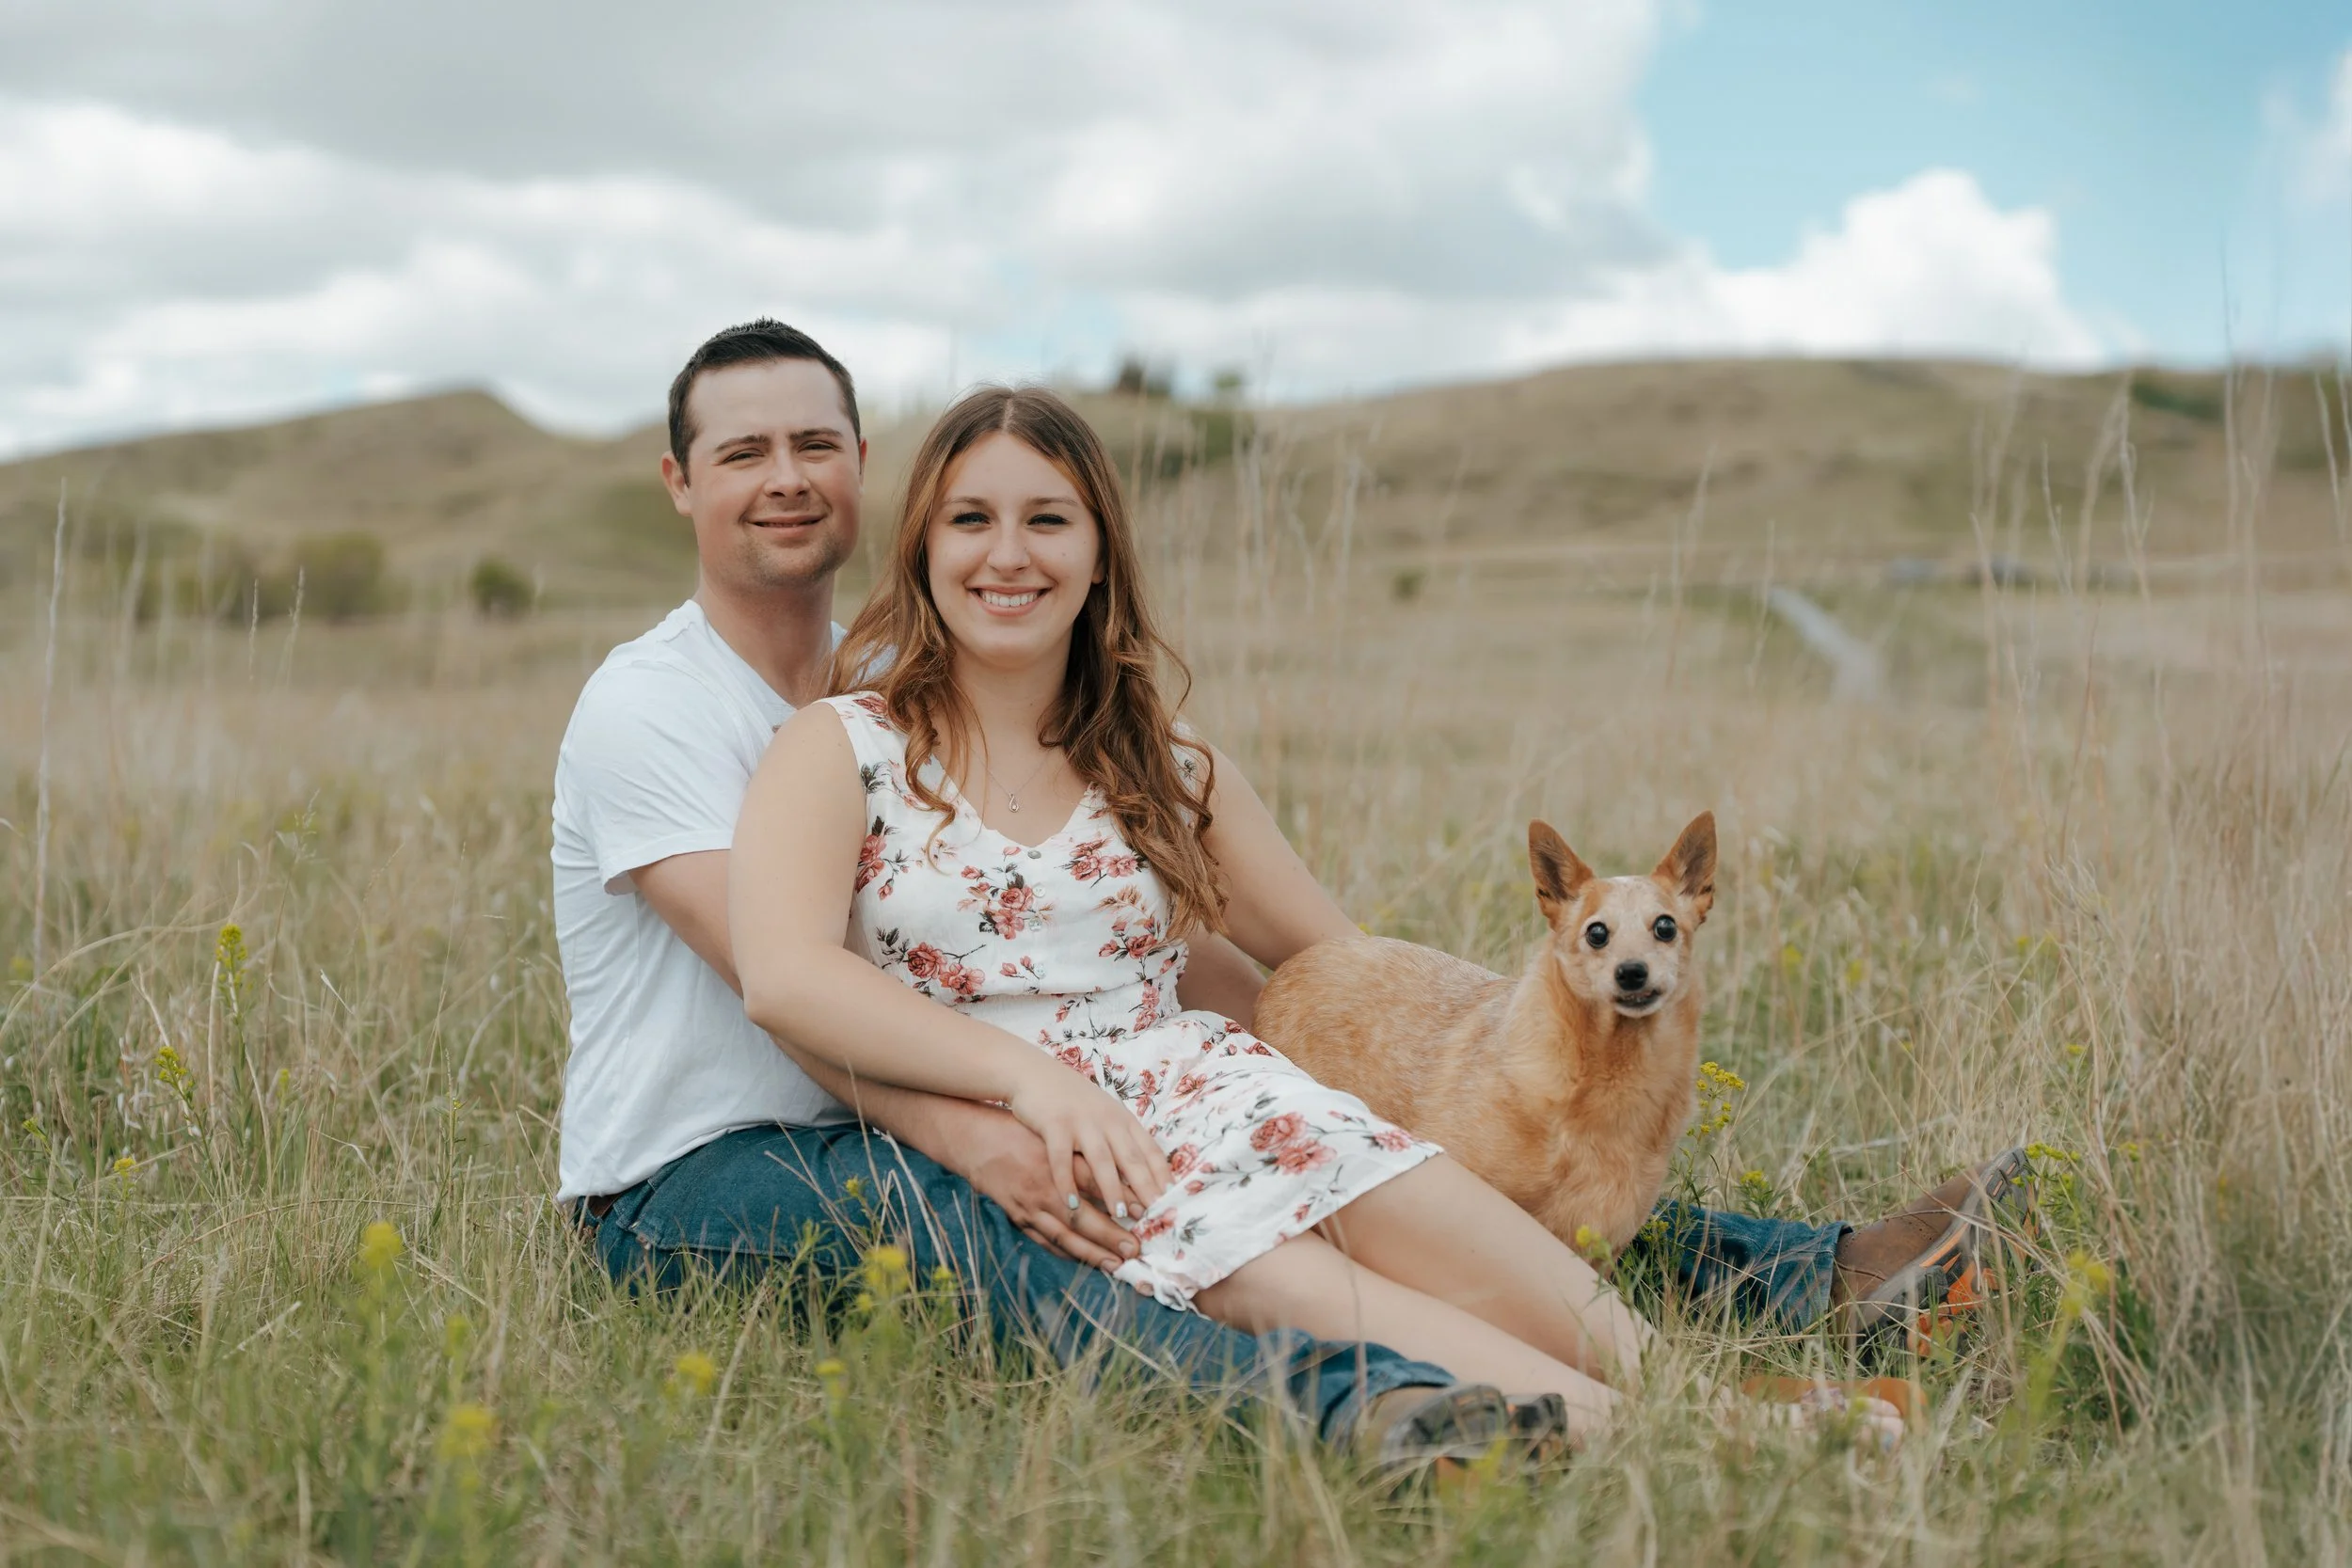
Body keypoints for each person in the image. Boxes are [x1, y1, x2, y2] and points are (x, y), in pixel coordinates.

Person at [552, 321, 2028, 1467]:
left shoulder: (1154, 755)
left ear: (1096, 548)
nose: (1009, 554)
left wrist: (1427, 1090)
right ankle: (1672, 1444)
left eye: (1048, 520)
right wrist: (1016, 1103)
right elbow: (793, 978)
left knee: (1480, 1223)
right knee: (1281, 1283)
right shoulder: (804, 739)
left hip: (1206, 1083)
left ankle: (1786, 1348)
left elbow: (1331, 958)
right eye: (974, 524)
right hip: (826, 1141)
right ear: (919, 543)